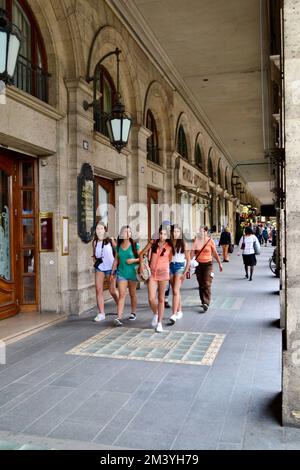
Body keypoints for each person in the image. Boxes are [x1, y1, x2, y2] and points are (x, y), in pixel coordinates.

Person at [139, 225, 174, 332]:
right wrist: (142, 266)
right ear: (158, 234)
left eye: (164, 234)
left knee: (161, 299)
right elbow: (141, 254)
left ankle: (159, 323)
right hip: (152, 275)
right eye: (160, 233)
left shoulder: (170, 247)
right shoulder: (153, 243)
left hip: (164, 275)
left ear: (167, 235)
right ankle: (156, 313)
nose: (162, 236)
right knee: (151, 298)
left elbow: (170, 260)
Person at [110, 226, 140, 326]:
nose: (126, 233)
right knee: (122, 294)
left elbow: (141, 258)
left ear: (131, 234)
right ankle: (119, 317)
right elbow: (116, 260)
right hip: (121, 273)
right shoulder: (118, 246)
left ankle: (133, 312)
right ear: (121, 234)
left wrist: (133, 260)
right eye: (124, 231)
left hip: (132, 273)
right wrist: (112, 272)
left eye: (128, 232)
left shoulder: (135, 245)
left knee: (132, 293)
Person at [192, 226, 223, 312]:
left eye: (203, 231)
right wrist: (189, 264)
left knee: (207, 282)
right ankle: (203, 301)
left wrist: (220, 263)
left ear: (206, 232)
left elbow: (215, 253)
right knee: (201, 283)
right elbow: (192, 253)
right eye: (200, 231)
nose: (201, 233)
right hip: (198, 264)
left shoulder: (210, 241)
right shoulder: (196, 241)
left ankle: (206, 302)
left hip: (208, 264)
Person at [92, 221, 119, 322]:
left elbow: (118, 253)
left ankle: (119, 305)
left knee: (112, 291)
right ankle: (101, 313)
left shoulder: (110, 240)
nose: (99, 230)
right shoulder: (94, 242)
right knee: (98, 290)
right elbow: (94, 254)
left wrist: (114, 268)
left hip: (111, 268)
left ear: (105, 230)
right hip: (100, 268)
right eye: (97, 229)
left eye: (101, 228)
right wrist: (94, 260)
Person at [168, 225, 191, 325]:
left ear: (180, 233)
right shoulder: (169, 244)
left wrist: (185, 273)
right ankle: (179, 310)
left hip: (180, 267)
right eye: (174, 231)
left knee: (175, 290)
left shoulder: (184, 244)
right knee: (175, 290)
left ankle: (173, 314)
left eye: (177, 231)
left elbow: (188, 260)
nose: (175, 233)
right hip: (170, 267)